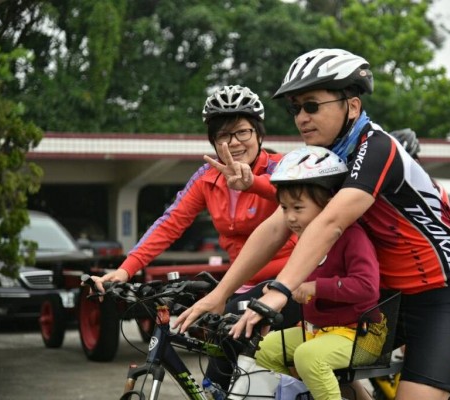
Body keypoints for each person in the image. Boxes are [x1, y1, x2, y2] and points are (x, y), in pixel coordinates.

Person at [174, 48, 450, 400]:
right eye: (295, 108)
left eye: (311, 105)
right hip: (385, 298)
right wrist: (220, 294)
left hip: (444, 294)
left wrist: (279, 291)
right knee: (296, 357)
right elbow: (277, 226)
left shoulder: (378, 147)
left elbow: (331, 223)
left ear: (351, 106)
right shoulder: (325, 159)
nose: (301, 118)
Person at [90, 85, 298, 388]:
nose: (234, 143)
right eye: (223, 136)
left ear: (258, 133)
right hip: (239, 285)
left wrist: (254, 183)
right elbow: (170, 223)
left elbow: (299, 198)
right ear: (213, 141)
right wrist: (125, 269)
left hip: (289, 281)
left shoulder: (284, 167)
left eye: (242, 132)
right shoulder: (206, 177)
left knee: (265, 373)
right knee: (217, 378)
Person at [254, 145, 386, 400]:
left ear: (327, 204)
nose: (290, 218)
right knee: (265, 348)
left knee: (308, 356)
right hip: (320, 330)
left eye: (298, 208)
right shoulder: (304, 239)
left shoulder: (352, 236)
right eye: (284, 208)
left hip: (362, 334)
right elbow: (294, 281)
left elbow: (367, 287)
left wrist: (316, 288)